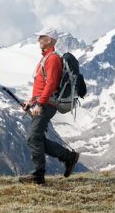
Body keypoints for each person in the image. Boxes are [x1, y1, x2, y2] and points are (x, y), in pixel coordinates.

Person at [19, 28, 80, 185]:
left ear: (50, 40)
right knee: (37, 138)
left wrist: (39, 103)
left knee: (33, 137)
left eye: (42, 37)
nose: (39, 39)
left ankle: (38, 176)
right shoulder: (45, 58)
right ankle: (68, 157)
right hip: (42, 102)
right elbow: (41, 85)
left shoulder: (52, 59)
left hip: (46, 104)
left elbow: (51, 83)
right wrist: (31, 101)